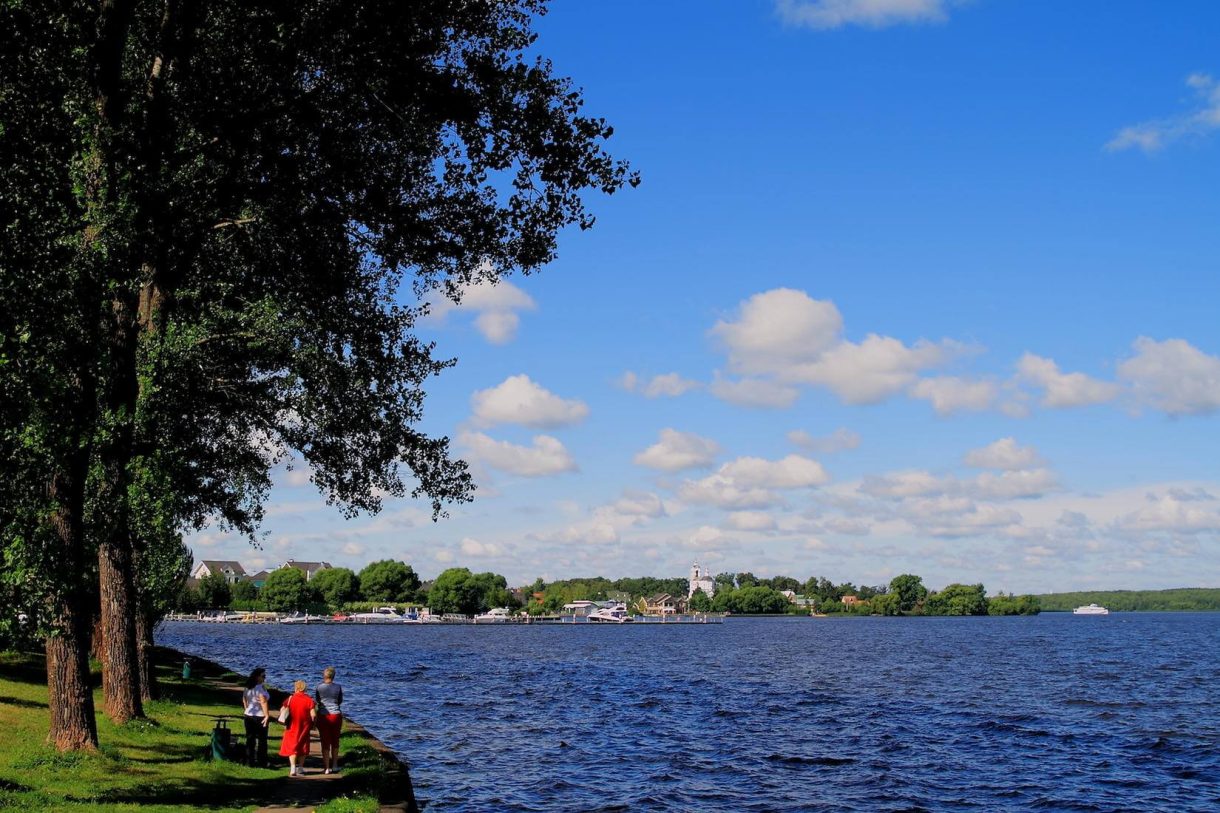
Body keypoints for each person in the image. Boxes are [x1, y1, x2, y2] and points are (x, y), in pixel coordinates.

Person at [278, 679, 317, 776]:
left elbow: (282, 708)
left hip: (291, 725)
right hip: (304, 726)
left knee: (292, 746)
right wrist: (314, 724)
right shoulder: (309, 700)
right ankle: (300, 767)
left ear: (296, 688)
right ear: (305, 688)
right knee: (303, 746)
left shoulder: (291, 699)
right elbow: (313, 714)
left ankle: (292, 768)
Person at [314, 666, 344, 774]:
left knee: (325, 741)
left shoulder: (319, 687)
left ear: (324, 675)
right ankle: (335, 765)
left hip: (323, 715)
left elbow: (318, 700)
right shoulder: (338, 687)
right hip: (335, 715)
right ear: (333, 676)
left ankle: (326, 767)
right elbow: (340, 700)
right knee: (335, 741)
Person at [241, 667, 271, 768]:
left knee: (250, 739)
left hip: (248, 715)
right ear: (257, 677)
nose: (264, 678)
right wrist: (267, 715)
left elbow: (244, 699)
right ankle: (262, 762)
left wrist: (247, 709)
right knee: (262, 740)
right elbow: (263, 702)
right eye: (263, 676)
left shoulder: (248, 687)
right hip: (260, 716)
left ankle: (250, 761)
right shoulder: (259, 688)